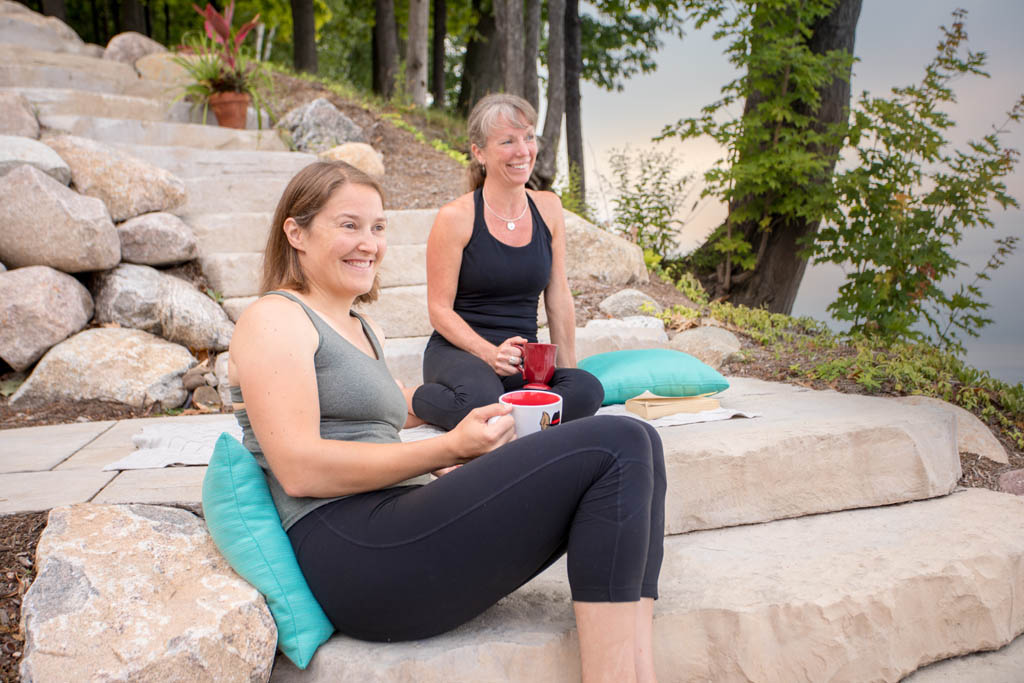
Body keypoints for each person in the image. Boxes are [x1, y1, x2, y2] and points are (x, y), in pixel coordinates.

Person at [228, 160, 666, 682]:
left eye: (378, 227)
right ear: (296, 232)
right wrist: (450, 449)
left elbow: (395, 409)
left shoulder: (360, 327)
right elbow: (300, 468)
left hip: (399, 521)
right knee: (614, 442)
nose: (368, 243)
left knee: (641, 440)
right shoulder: (274, 319)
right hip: (355, 554)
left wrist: (486, 417)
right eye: (349, 225)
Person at [411, 93, 604, 431]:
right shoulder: (456, 217)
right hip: (460, 351)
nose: (523, 151)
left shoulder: (548, 207)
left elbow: (558, 296)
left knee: (587, 390)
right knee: (481, 403)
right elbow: (439, 310)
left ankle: (510, 420)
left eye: (528, 137)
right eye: (507, 141)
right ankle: (411, 399)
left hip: (519, 360)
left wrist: (568, 376)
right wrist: (489, 354)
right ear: (479, 153)